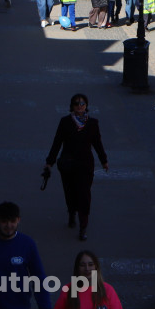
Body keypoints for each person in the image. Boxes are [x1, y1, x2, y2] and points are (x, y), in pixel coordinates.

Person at [44, 93, 109, 241]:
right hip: (68, 164)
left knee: (84, 194)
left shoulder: (92, 123)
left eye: (83, 104)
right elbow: (57, 142)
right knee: (70, 192)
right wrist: (49, 162)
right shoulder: (65, 122)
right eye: (76, 104)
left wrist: (104, 160)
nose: (80, 106)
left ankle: (83, 226)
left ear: (86, 106)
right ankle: (72, 212)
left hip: (85, 165)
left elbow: (97, 143)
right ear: (72, 106)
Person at [52, 250, 125, 309]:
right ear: (77, 268)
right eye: (82, 265)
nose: (87, 269)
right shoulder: (68, 290)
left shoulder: (108, 290)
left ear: (96, 267)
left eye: (90, 264)